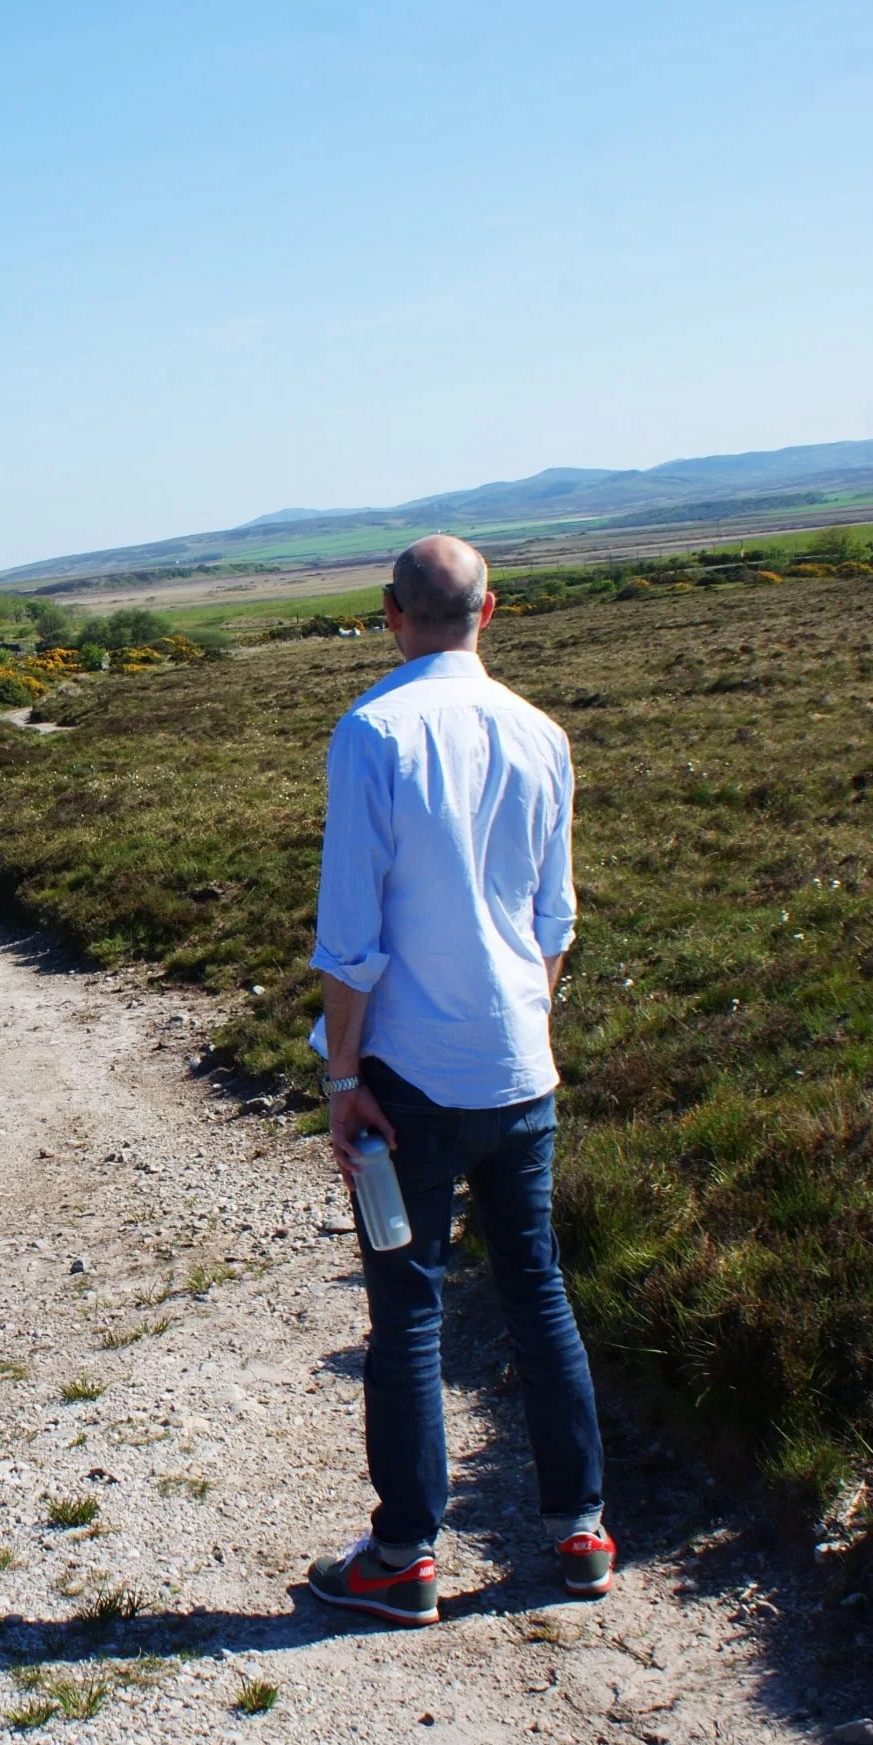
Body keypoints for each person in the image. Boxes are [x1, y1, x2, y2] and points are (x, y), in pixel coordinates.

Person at [305, 534, 613, 1627]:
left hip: (408, 1074)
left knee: (411, 1309)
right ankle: (580, 1530)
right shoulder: (544, 735)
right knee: (538, 1291)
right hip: (518, 1067)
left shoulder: (373, 732)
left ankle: (403, 1555)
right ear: (492, 611)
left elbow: (351, 937)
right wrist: (529, 1025)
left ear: (392, 613)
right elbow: (553, 922)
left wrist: (344, 1081)